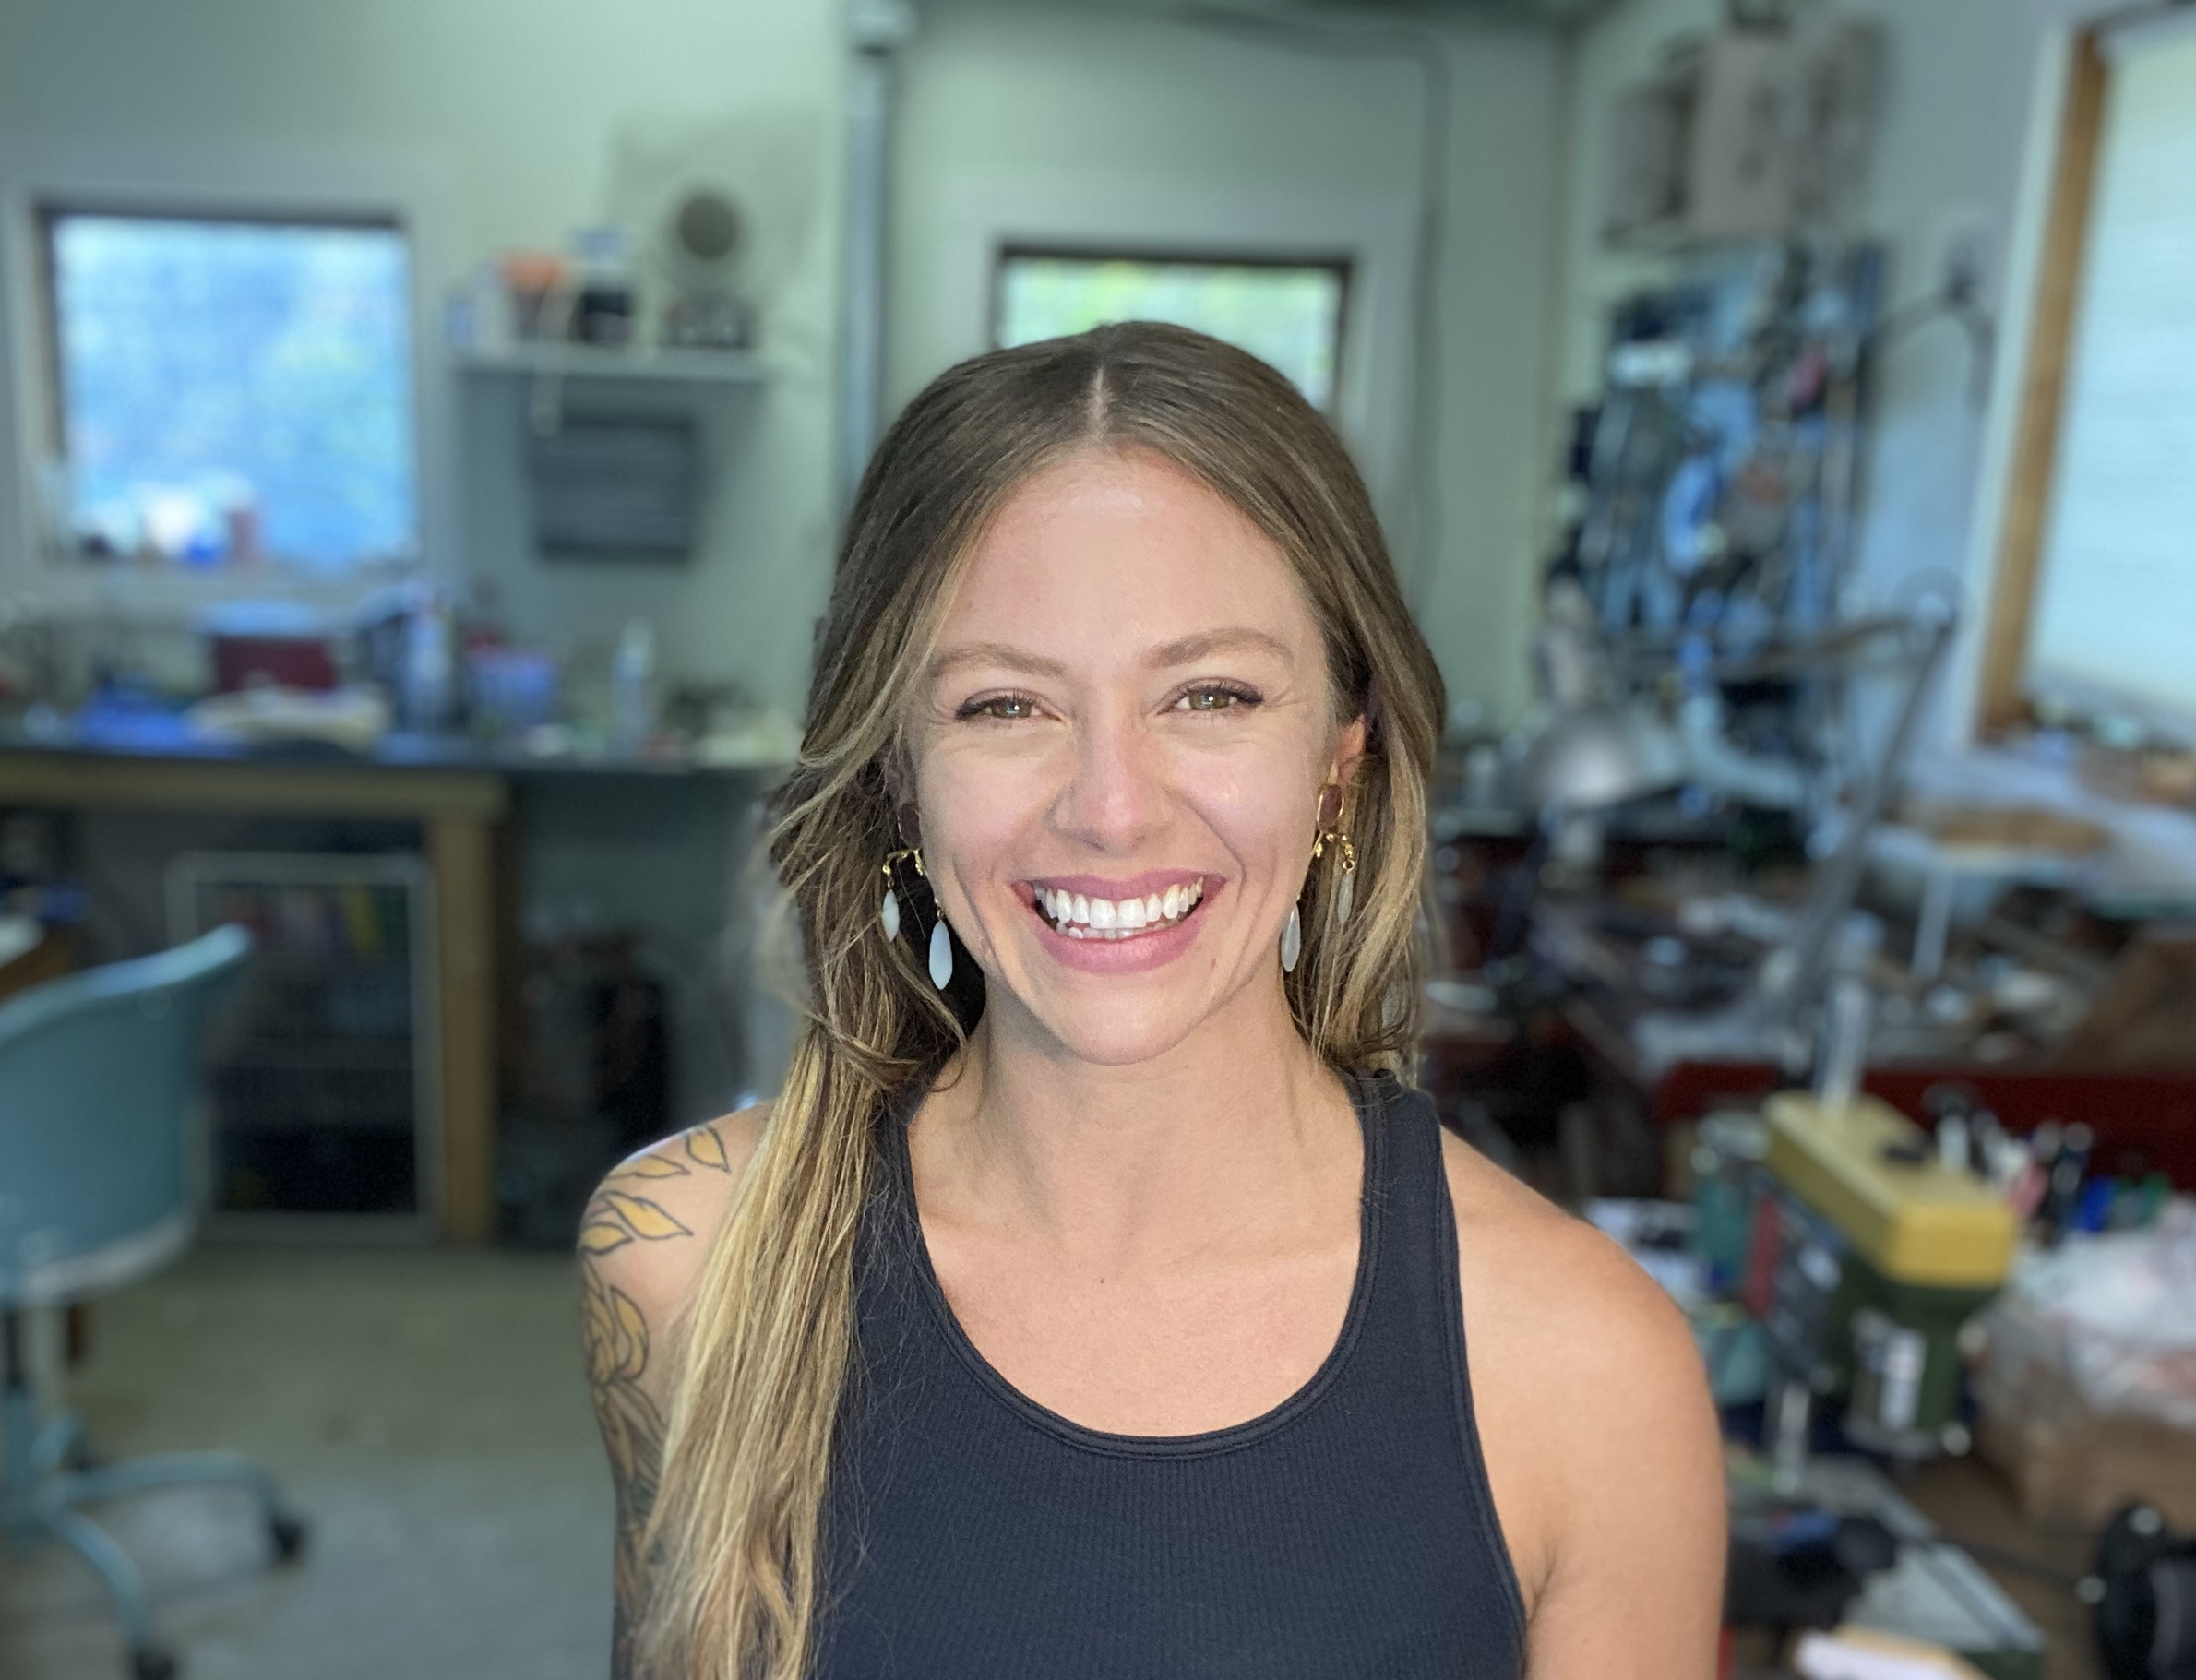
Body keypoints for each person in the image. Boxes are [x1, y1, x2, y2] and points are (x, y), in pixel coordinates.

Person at [579, 321, 1725, 1680]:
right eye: (1005, 705)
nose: (1111, 810)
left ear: (1340, 759)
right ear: (896, 766)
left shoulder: (1590, 1370)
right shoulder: (689, 1259)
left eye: (1212, 693)